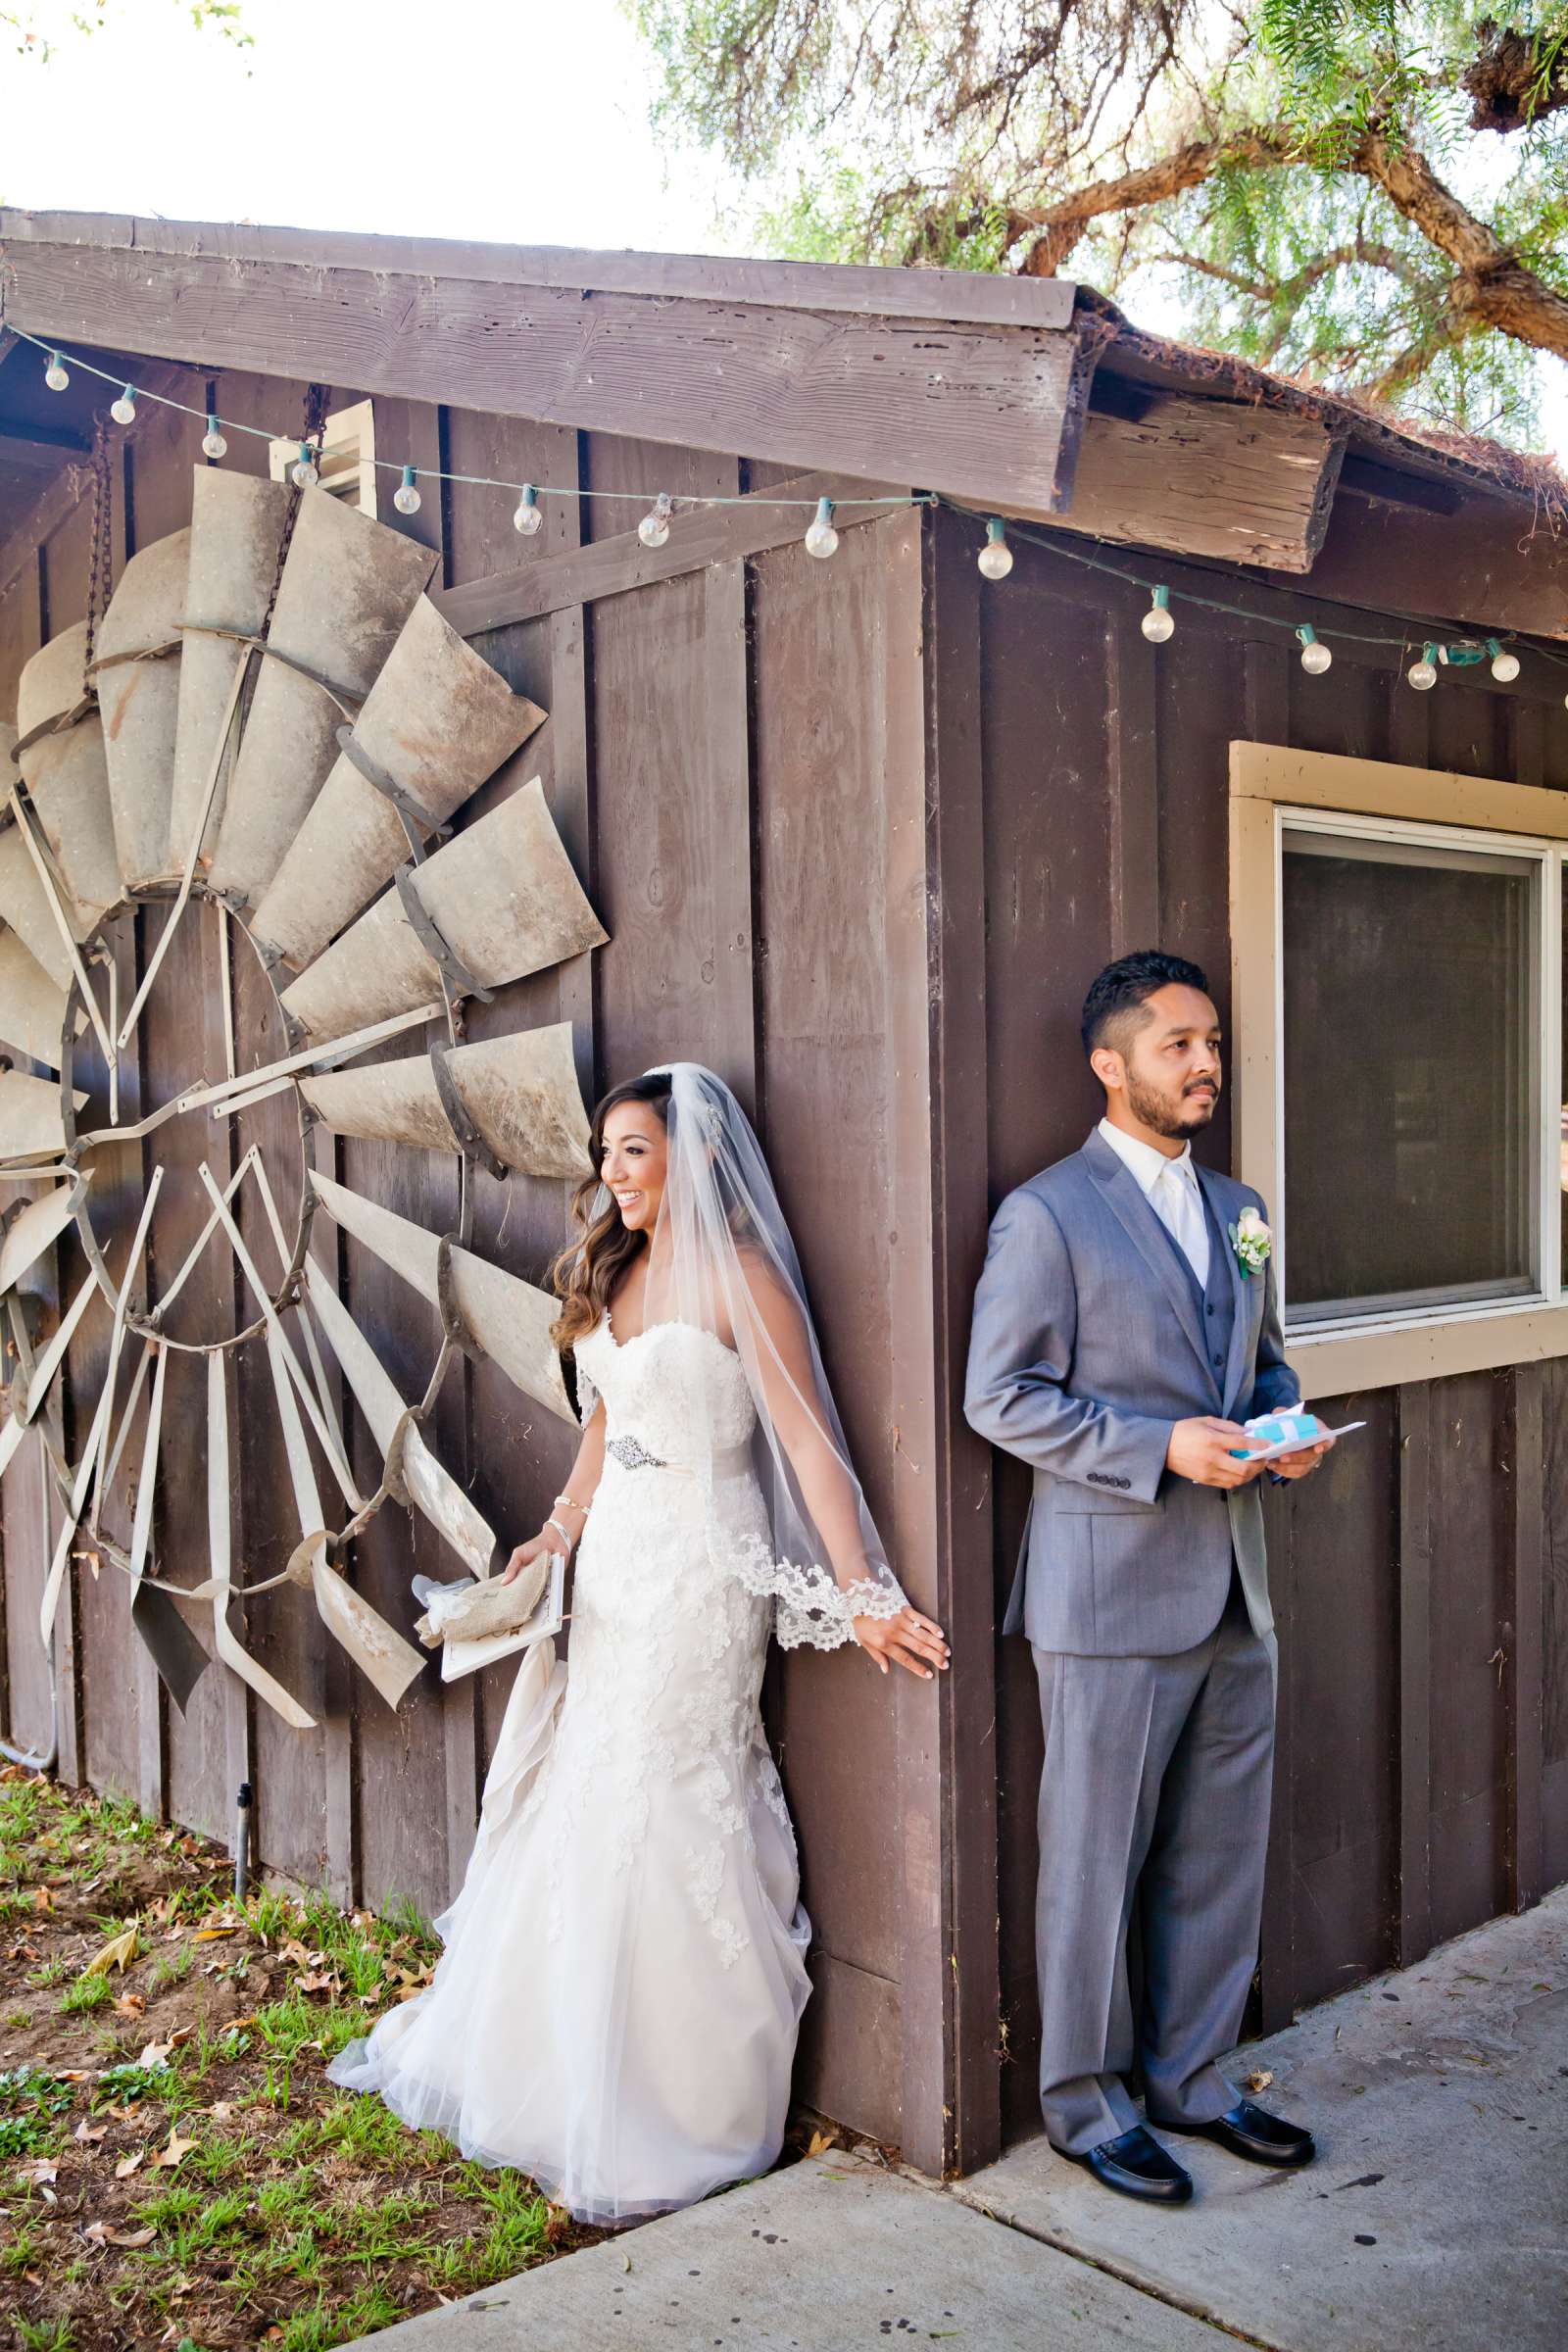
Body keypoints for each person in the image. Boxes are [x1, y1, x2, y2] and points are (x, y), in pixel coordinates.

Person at [330, 1062, 948, 2224]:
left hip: (704, 1580)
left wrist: (862, 1591)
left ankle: (673, 2103)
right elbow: (603, 1427)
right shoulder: (615, 1272)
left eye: (632, 1152)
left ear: (697, 1157)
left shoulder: (743, 1283)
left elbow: (809, 1448)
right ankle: (553, 2064)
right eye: (604, 1153)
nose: (610, 1175)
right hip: (613, 1571)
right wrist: (551, 1537)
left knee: (675, 1793)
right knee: (591, 1787)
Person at [964, 952, 1330, 2207]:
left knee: (1216, 1856)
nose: (1204, 1062)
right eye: (1176, 1043)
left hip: (1239, 1589)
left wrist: (1283, 1427)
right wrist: (1154, 1448)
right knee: (1094, 1860)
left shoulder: (1243, 1205)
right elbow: (997, 1397)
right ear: (1107, 1064)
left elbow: (1263, 1365)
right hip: (1109, 1596)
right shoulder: (1047, 1214)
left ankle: (1191, 2078)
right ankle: (1085, 2105)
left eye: (1211, 1040)